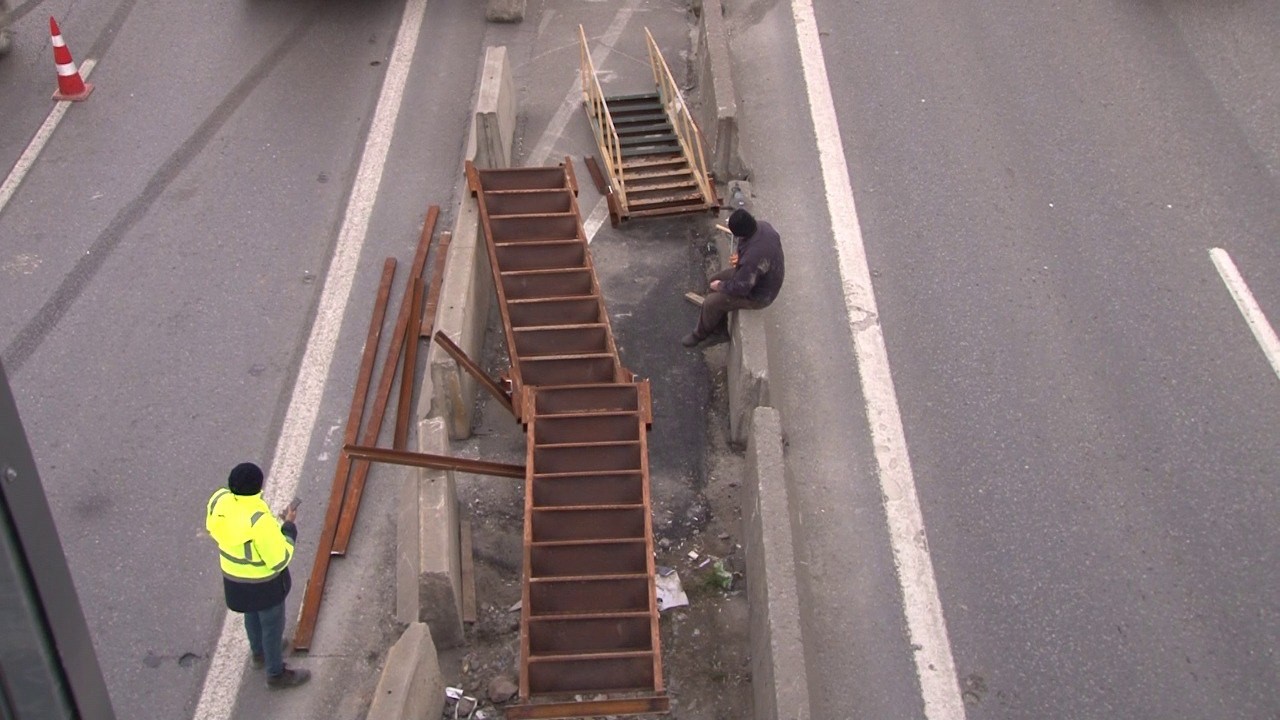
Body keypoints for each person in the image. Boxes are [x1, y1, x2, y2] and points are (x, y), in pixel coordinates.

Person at [205, 462, 311, 688]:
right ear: (258, 488)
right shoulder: (258, 521)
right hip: (264, 585)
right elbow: (280, 558)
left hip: (235, 581)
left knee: (250, 615)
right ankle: (275, 674)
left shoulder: (219, 501)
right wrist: (288, 527)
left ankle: (258, 653)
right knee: (272, 628)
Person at [683, 208, 785, 347]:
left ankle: (700, 334)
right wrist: (740, 256)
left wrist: (720, 286)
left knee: (711, 302)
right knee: (714, 280)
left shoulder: (752, 259)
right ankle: (720, 330)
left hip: (759, 294)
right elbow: (750, 258)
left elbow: (741, 288)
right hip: (761, 277)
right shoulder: (763, 226)